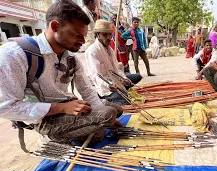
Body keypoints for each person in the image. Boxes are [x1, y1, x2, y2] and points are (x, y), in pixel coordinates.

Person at [0, 0, 123, 144]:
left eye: (83, 36)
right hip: (44, 118)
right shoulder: (14, 55)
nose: (82, 41)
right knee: (107, 114)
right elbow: (5, 107)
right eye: (77, 35)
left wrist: (102, 116)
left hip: (67, 107)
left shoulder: (70, 57)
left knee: (115, 110)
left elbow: (87, 90)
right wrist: (61, 107)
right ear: (55, 26)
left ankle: (87, 129)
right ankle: (56, 136)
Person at [85, 19, 142, 105]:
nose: (108, 37)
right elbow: (95, 76)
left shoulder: (110, 50)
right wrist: (109, 85)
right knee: (125, 101)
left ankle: (122, 90)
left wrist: (124, 79)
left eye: (110, 34)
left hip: (115, 81)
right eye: (105, 34)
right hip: (105, 87)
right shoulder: (92, 51)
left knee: (137, 76)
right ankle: (104, 100)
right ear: (97, 35)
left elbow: (116, 69)